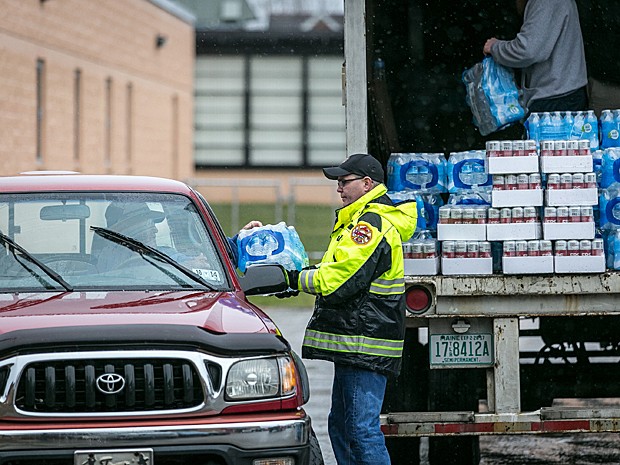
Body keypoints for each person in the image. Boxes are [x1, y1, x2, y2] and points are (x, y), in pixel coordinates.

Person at [284, 153, 417, 465]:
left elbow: (338, 279)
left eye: (345, 182)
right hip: (355, 341)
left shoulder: (369, 226)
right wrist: (294, 278)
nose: (339, 188)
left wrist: (292, 278)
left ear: (367, 184)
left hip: (364, 342)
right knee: (342, 426)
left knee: (360, 429)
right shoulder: (356, 220)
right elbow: (337, 268)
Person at [483, 0, 588, 114]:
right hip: (561, 92)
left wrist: (495, 47)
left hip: (554, 97)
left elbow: (528, 51)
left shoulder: (545, 3)